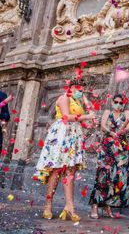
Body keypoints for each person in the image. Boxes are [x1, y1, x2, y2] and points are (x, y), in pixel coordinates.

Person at [33, 79, 96, 222]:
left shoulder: (77, 102)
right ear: (72, 87)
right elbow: (66, 116)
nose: (82, 92)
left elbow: (78, 119)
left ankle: (69, 207)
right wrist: (87, 116)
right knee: (56, 170)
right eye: (80, 89)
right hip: (61, 134)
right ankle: (48, 205)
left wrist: (87, 125)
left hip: (74, 135)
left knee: (70, 171)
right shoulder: (63, 98)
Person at [89, 94, 129, 219]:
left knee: (118, 176)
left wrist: (123, 130)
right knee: (103, 174)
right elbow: (102, 126)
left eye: (121, 102)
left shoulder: (126, 113)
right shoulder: (108, 112)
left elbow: (128, 126)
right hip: (107, 146)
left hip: (121, 148)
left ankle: (108, 206)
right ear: (112, 102)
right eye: (116, 102)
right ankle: (95, 206)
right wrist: (111, 132)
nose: (118, 104)